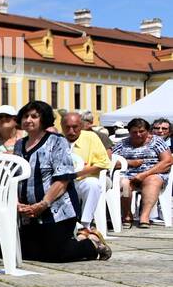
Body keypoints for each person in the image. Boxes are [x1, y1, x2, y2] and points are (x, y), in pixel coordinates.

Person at [12, 101, 108, 260]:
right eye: (25, 116)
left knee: (57, 254)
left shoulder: (57, 141)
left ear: (44, 120)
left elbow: (63, 180)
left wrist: (42, 204)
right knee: (26, 253)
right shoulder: (19, 145)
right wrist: (17, 204)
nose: (28, 120)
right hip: (28, 213)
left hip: (57, 210)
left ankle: (92, 243)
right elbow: (15, 176)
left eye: (34, 116)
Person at [112, 117, 173, 228]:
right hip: (128, 176)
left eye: (141, 131)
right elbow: (110, 162)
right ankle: (127, 214)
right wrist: (130, 162)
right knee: (124, 183)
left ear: (147, 131)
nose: (138, 134)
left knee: (152, 180)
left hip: (152, 174)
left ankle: (144, 216)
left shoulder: (156, 141)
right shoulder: (122, 144)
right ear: (129, 132)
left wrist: (144, 174)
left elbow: (167, 161)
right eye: (134, 132)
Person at [61, 110, 110, 233]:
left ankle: (85, 223)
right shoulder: (58, 140)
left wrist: (78, 173)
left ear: (81, 126)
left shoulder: (91, 137)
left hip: (83, 180)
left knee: (92, 184)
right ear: (61, 127)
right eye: (67, 128)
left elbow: (104, 163)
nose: (71, 131)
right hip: (62, 182)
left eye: (75, 127)